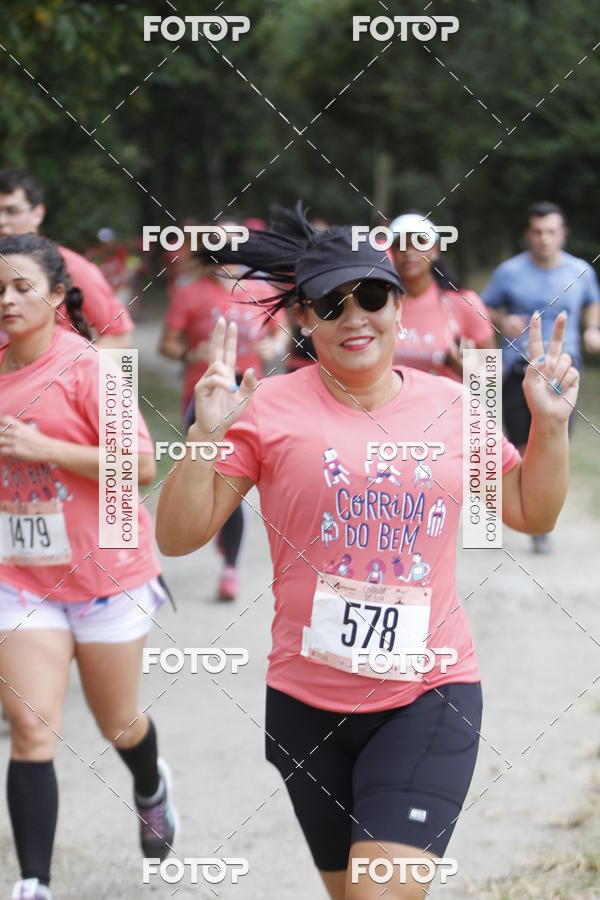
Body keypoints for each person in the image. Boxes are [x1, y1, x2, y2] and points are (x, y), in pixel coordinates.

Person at [155, 204, 578, 900]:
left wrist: (550, 427)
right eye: (331, 302)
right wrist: (202, 440)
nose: (355, 316)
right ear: (305, 320)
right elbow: (177, 536)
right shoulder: (268, 406)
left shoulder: (452, 404)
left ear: (399, 304)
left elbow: (533, 509)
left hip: (428, 695)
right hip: (305, 704)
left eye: (373, 295)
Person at [0, 234, 177, 900]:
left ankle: (150, 783)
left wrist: (46, 446)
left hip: (106, 576)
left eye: (21, 287)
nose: (8, 300)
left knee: (118, 722)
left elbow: (145, 468)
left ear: (55, 294)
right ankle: (34, 885)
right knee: (31, 729)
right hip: (19, 576)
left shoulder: (92, 369)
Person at [159, 252, 288, 601]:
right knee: (204, 473)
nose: (230, 256)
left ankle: (230, 567)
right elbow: (167, 345)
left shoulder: (262, 290)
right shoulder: (190, 292)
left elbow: (282, 332)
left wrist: (272, 345)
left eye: (237, 247)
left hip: (247, 399)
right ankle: (208, 525)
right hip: (203, 398)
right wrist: (192, 354)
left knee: (231, 484)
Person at [482, 201, 600, 553]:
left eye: (551, 231)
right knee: (521, 442)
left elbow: (593, 301)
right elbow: (482, 305)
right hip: (520, 368)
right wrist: (503, 321)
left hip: (565, 368)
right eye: (537, 232)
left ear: (562, 234)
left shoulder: (581, 271)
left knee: (555, 438)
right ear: (527, 234)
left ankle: (534, 509)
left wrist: (593, 327)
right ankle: (530, 516)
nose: (544, 239)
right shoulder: (509, 271)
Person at [0, 169, 134, 348]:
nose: (1, 220)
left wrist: (78, 371)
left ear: (37, 213)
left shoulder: (70, 266)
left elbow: (120, 335)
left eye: (12, 211)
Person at [388, 212, 495, 379]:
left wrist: (468, 372)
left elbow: (492, 384)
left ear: (435, 250)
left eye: (419, 243)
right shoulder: (378, 302)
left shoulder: (463, 301)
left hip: (452, 404)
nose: (408, 251)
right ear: (392, 252)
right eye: (399, 245)